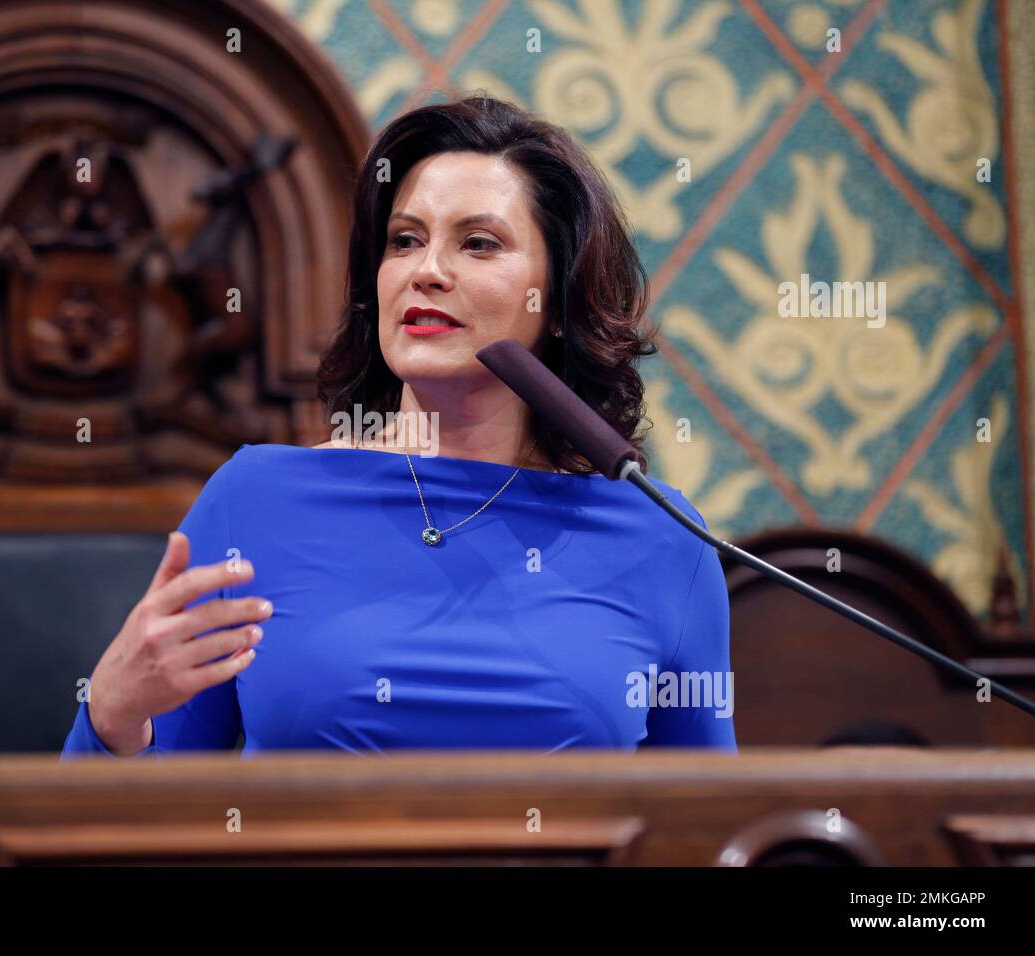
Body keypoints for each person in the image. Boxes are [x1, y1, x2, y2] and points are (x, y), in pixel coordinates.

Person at [62, 93, 736, 758]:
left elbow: (708, 828)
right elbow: (139, 819)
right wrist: (113, 714)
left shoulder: (663, 539)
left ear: (558, 300)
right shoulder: (256, 499)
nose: (426, 271)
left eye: (478, 244)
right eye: (404, 241)